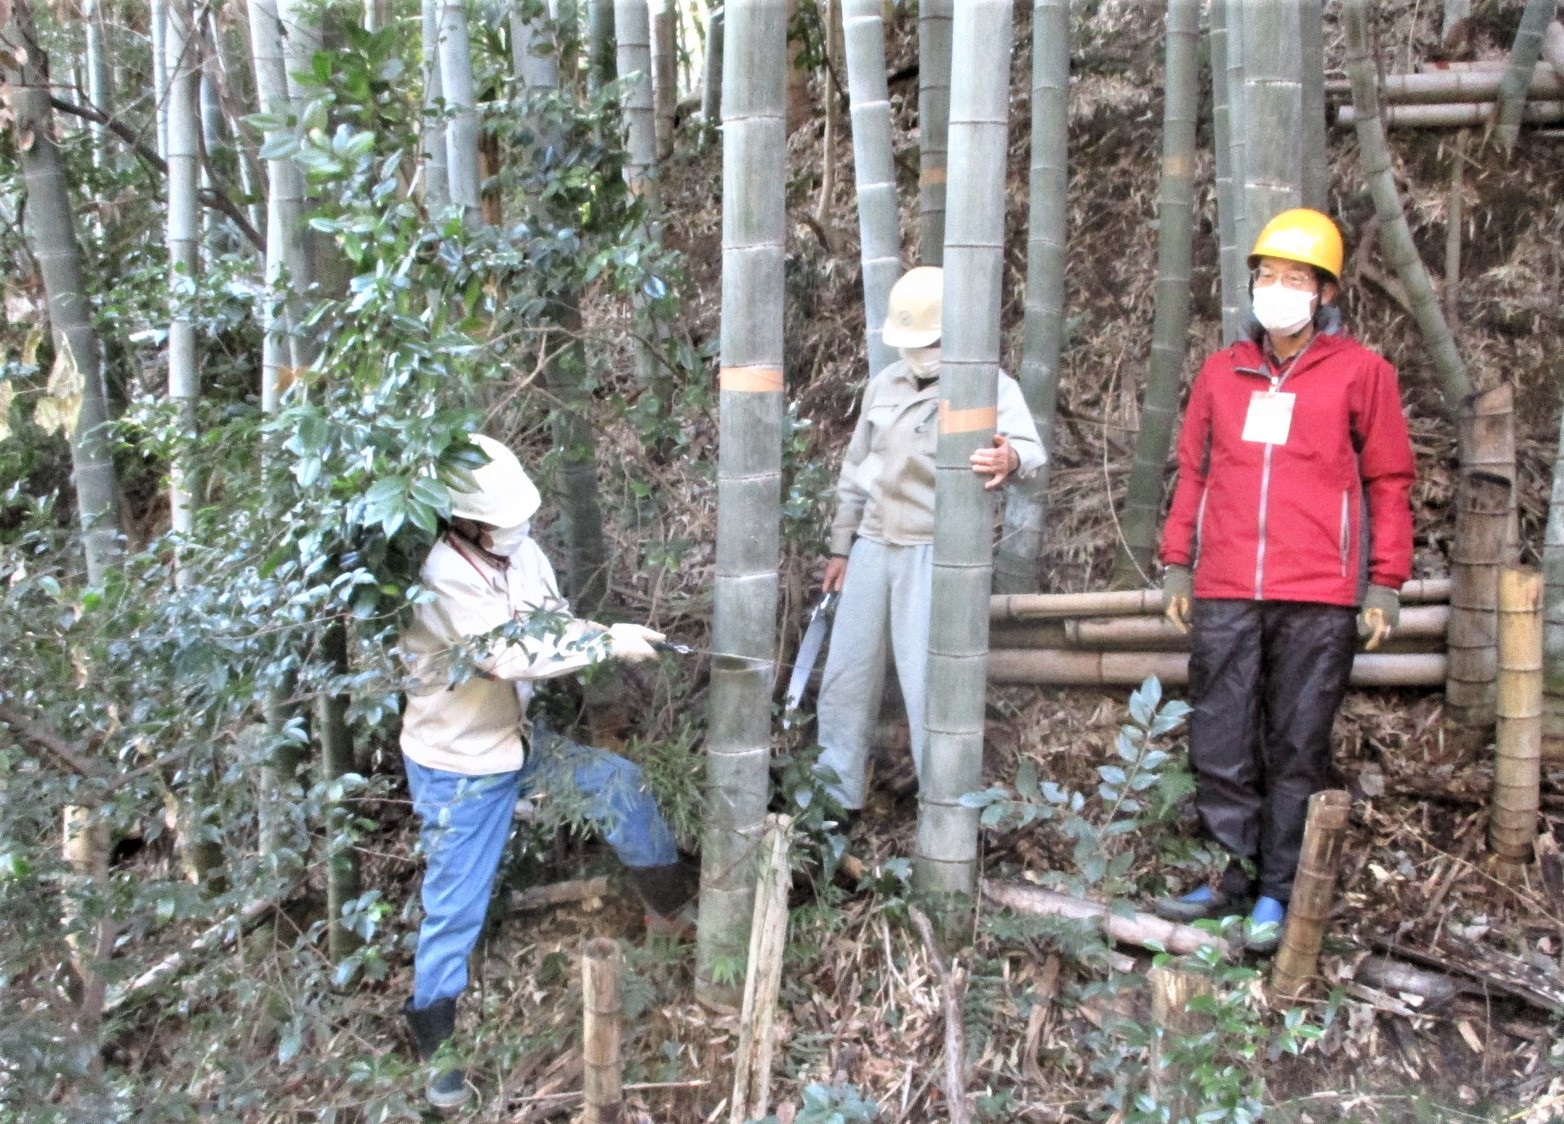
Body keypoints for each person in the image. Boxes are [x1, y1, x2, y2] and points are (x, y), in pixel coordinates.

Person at [397, 434, 695, 1110]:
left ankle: (667, 914)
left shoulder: (519, 551)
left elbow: (550, 621)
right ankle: (439, 1059)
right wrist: (602, 642)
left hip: (519, 741)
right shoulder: (437, 575)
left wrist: (606, 629)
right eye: (501, 520)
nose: (516, 530)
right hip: (459, 766)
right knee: (455, 908)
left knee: (622, 786)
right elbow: (508, 655)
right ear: (461, 518)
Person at [1152, 209, 1415, 952]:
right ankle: (1226, 878)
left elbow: (1389, 480)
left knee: (1298, 745)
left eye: (1295, 279)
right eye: (1268, 276)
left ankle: (1277, 891)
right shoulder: (1221, 372)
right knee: (1221, 736)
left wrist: (1385, 582)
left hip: (1320, 590)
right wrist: (1179, 563)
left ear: (1326, 293)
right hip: (1230, 582)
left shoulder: (1363, 374)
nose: (1278, 290)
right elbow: (1195, 473)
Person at [815, 266, 1047, 812]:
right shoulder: (885, 384)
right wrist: (840, 546)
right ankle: (833, 805)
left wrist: (1008, 457)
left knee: (928, 689)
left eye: (930, 342)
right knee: (845, 680)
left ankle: (943, 815)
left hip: (935, 554)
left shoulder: (986, 384)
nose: (919, 354)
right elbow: (856, 470)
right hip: (873, 543)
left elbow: (1032, 455)